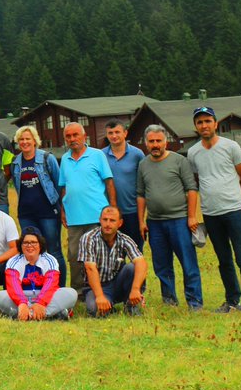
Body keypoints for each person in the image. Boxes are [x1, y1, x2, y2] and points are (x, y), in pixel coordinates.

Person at [187, 106, 241, 316]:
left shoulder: (231, 147)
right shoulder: (193, 152)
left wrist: (238, 199)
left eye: (208, 121)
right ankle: (232, 301)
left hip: (234, 211)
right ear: (196, 126)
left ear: (216, 124)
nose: (204, 125)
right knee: (224, 260)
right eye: (200, 122)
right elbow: (196, 182)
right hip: (211, 214)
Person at [136, 125, 203, 310]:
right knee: (162, 265)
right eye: (151, 141)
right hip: (155, 223)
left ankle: (194, 302)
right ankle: (169, 300)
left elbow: (191, 189)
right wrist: (141, 221)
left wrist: (191, 217)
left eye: (159, 141)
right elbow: (140, 194)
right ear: (146, 143)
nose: (155, 145)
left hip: (179, 220)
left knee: (188, 263)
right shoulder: (143, 164)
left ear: (165, 142)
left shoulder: (179, 161)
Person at [58, 122, 116, 292]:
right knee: (75, 255)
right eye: (68, 136)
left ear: (84, 137)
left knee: (99, 255)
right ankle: (78, 292)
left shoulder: (97, 155)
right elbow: (64, 187)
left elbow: (109, 182)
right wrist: (63, 210)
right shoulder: (65, 160)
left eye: (75, 135)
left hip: (97, 215)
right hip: (74, 218)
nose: (72, 139)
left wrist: (113, 209)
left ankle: (103, 289)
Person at [10, 124, 66, 285]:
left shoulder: (47, 159)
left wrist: (61, 209)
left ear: (35, 141)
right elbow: (16, 184)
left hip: (48, 213)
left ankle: (59, 287)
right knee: (31, 251)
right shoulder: (16, 162)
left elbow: (59, 184)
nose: (25, 142)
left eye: (28, 138)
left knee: (53, 251)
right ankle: (39, 286)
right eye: (21, 139)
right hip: (26, 214)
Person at [0, 228, 78, 320]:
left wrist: (41, 302)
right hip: (22, 296)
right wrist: (22, 302)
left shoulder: (50, 260)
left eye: (34, 242)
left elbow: (51, 283)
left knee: (71, 293)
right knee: (0, 296)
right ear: (21, 245)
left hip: (45, 297)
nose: (30, 246)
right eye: (25, 243)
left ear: (40, 245)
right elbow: (13, 285)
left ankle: (23, 315)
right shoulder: (14, 261)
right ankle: (51, 315)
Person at [78, 206, 147, 317]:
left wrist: (135, 289)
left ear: (120, 223)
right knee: (94, 310)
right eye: (105, 220)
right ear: (100, 220)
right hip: (96, 286)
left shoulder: (125, 239)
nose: (108, 224)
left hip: (117, 282)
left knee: (132, 268)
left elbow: (141, 262)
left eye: (112, 220)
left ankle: (131, 305)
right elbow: (90, 268)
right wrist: (100, 296)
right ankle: (108, 306)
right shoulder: (88, 238)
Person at [104, 119, 146, 248]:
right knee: (114, 253)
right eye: (110, 133)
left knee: (136, 250)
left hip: (132, 211)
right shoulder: (100, 155)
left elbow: (143, 183)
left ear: (125, 133)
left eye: (117, 132)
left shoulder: (137, 155)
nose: (114, 136)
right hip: (110, 213)